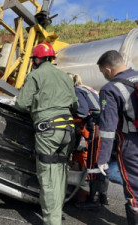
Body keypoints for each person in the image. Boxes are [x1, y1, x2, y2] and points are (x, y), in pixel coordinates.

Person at [15, 42, 78, 225]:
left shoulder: (35, 75)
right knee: (59, 174)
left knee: (48, 177)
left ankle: (52, 222)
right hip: (68, 131)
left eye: (34, 58)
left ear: (37, 58)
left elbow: (21, 104)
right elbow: (75, 105)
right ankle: (56, 216)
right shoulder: (66, 77)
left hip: (48, 132)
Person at [96, 50, 138, 225]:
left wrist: (103, 158)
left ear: (107, 70)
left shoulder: (109, 89)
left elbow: (108, 127)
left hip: (130, 143)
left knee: (135, 189)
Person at [68, 73, 108, 208]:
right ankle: (103, 197)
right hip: (105, 126)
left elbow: (83, 112)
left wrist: (69, 115)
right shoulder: (87, 88)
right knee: (101, 161)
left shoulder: (76, 90)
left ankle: (92, 201)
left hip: (95, 127)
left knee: (93, 164)